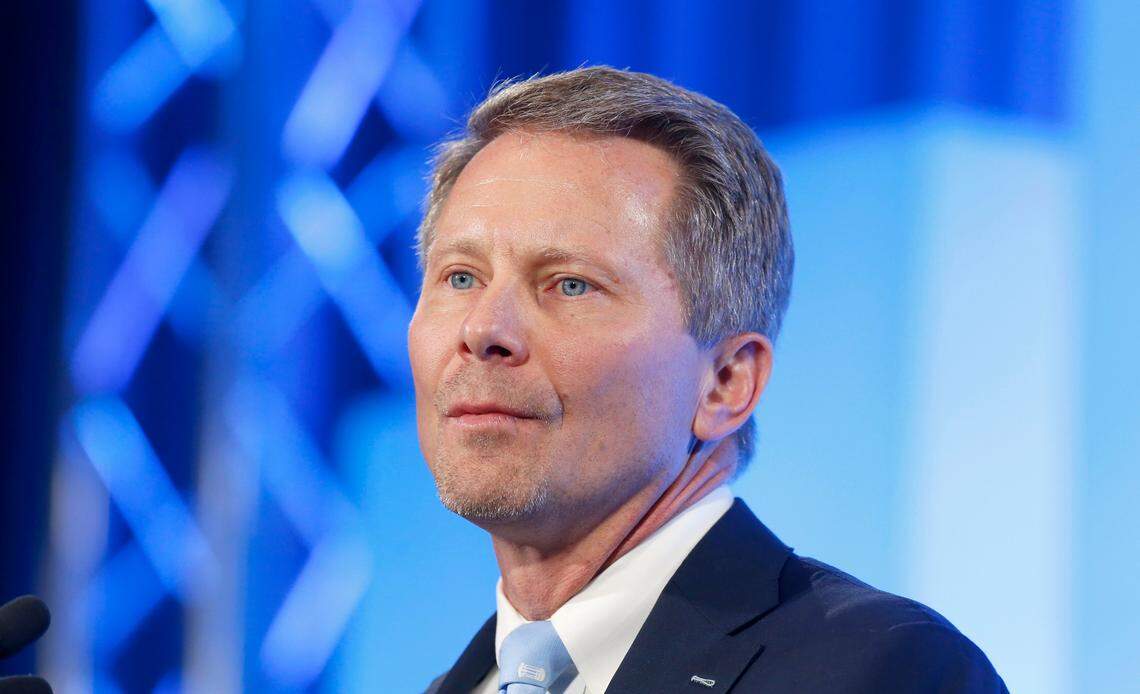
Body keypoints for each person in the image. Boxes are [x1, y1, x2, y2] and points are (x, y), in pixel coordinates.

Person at [408, 66, 1007, 693]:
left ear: (725, 382)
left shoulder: (880, 670)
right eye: (460, 277)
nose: (482, 329)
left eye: (571, 284)